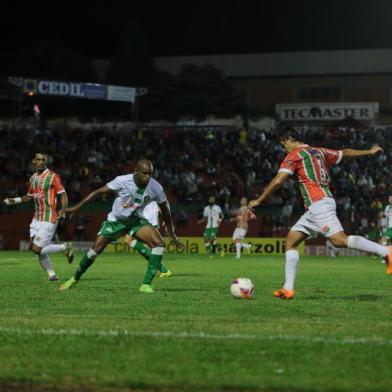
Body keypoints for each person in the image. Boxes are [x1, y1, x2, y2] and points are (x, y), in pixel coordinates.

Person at [249, 128, 392, 300]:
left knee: (339, 241)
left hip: (318, 204)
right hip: (318, 205)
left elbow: (279, 180)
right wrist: (368, 151)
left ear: (290, 139)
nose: (283, 149)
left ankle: (386, 251)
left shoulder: (295, 155)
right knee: (291, 242)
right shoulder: (319, 151)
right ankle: (288, 288)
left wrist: (259, 200)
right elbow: (344, 152)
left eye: (283, 144)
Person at [60, 159, 183, 293]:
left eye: (150, 174)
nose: (148, 177)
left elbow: (166, 210)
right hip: (115, 221)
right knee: (94, 251)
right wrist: (77, 207)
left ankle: (146, 285)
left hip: (135, 220)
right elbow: (99, 192)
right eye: (145, 173)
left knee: (159, 244)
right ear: (136, 172)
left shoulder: (156, 188)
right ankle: (74, 279)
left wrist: (172, 234)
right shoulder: (122, 181)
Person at [3, 153, 73, 281]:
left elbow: (63, 194)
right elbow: (29, 196)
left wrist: (63, 210)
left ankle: (64, 247)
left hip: (49, 218)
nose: (41, 161)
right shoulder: (34, 178)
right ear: (34, 162)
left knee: (37, 249)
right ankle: (52, 274)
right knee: (38, 249)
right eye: (38, 159)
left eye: (43, 160)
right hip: (36, 219)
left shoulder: (52, 176)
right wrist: (15, 200)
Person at [123, 200, 172, 278]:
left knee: (129, 240)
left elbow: (162, 207)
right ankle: (163, 270)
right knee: (147, 248)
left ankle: (163, 270)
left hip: (146, 221)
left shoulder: (148, 192)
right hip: (145, 221)